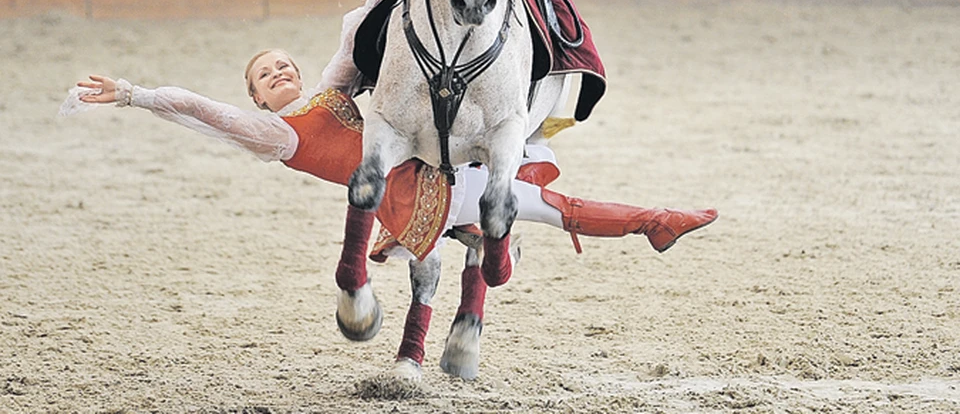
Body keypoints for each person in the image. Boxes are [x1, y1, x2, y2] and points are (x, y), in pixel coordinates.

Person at [62, 51, 717, 368]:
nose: (281, 73)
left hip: (433, 163)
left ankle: (648, 221)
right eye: (266, 77)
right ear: (260, 101)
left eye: (283, 63)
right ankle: (422, 341)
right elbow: (204, 109)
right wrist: (135, 94)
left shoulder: (328, 95)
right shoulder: (281, 134)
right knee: (536, 209)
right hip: (413, 192)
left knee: (539, 197)